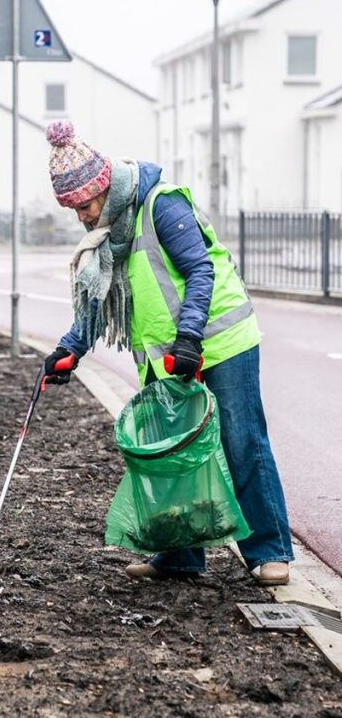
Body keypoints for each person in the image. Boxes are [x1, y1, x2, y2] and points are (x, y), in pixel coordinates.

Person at [41, 120, 293, 587]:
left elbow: (200, 271)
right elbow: (101, 299)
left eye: (83, 205)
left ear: (103, 189)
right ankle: (179, 556)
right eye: (72, 209)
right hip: (167, 356)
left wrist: (189, 339)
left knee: (241, 442)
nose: (81, 217)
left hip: (220, 340)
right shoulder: (112, 232)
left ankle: (269, 551)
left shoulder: (162, 204)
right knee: (170, 454)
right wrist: (69, 349)